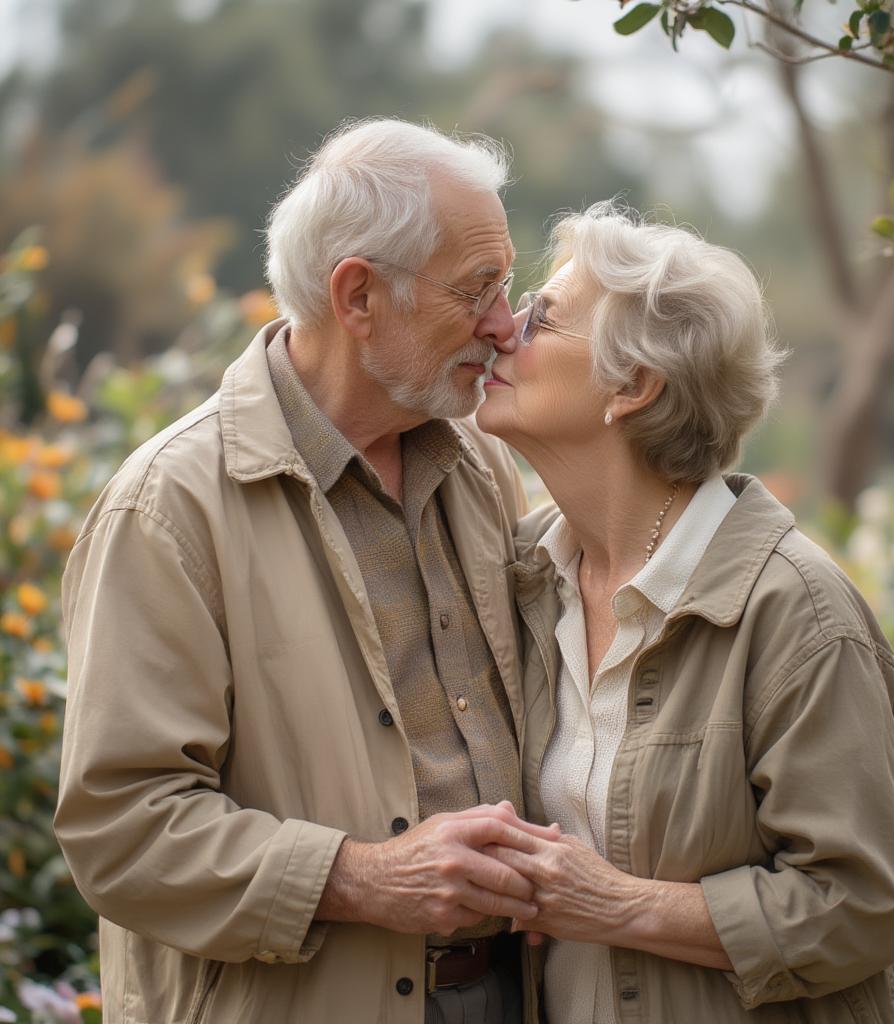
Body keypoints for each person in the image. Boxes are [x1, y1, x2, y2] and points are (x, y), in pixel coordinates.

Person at [53, 118, 557, 1024]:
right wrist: (362, 879)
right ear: (358, 295)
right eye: (478, 289)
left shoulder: (480, 463)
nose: (503, 323)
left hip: (514, 993)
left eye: (507, 286)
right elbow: (121, 833)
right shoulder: (169, 509)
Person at [475, 201, 894, 1023]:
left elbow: (860, 906)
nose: (502, 330)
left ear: (634, 386)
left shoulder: (795, 611)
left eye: (542, 318)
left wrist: (615, 904)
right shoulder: (523, 577)